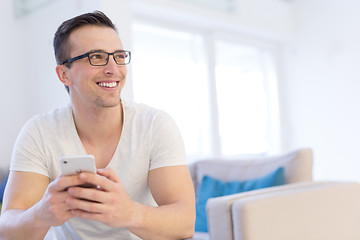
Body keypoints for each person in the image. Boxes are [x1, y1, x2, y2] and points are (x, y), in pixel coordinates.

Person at [0, 11, 195, 240]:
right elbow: (7, 229)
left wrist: (129, 213)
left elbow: (185, 223)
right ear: (64, 74)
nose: (114, 68)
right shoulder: (39, 132)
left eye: (119, 56)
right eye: (97, 57)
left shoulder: (155, 125)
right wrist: (41, 213)